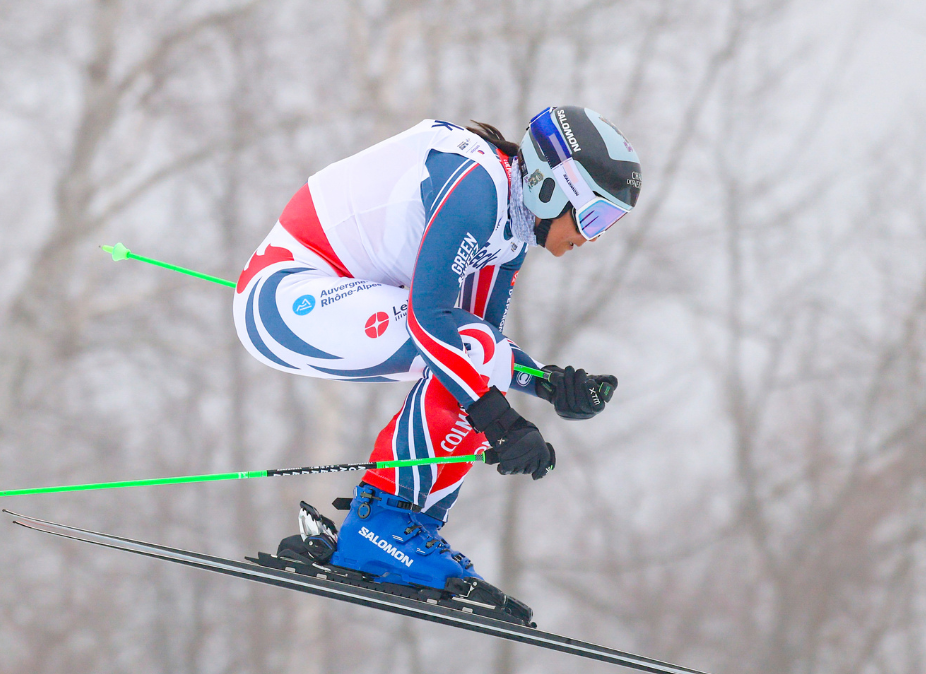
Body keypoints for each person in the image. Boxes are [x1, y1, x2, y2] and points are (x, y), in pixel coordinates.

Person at [232, 106, 642, 598]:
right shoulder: (478, 190)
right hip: (281, 297)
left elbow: (476, 350)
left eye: (609, 224)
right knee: (463, 354)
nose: (589, 238)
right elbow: (437, 326)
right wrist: (503, 421)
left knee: (468, 357)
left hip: (330, 297)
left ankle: (411, 530)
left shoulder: (509, 232)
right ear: (549, 188)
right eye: (594, 216)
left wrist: (548, 384)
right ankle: (380, 523)